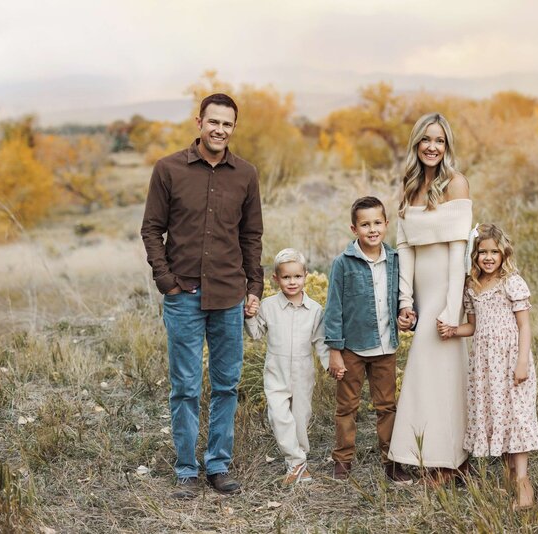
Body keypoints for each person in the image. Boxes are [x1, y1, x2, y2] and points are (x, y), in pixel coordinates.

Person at [140, 93, 263, 499]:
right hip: (184, 296)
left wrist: (254, 286)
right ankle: (186, 471)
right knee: (186, 386)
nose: (220, 130)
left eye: (228, 124)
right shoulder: (168, 169)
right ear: (199, 122)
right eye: (214, 122)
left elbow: (251, 236)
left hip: (229, 295)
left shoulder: (245, 174)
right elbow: (151, 229)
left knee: (227, 385)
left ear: (233, 128)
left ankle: (218, 465)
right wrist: (167, 281)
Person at [388, 113, 472, 482]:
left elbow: (459, 251)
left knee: (442, 372)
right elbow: (404, 248)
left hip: (446, 290)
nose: (432, 147)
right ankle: (428, 454)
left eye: (439, 141)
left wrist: (452, 309)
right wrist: (405, 303)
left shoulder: (456, 184)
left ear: (447, 146)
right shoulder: (409, 187)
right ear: (416, 144)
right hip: (422, 290)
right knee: (425, 372)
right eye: (426, 140)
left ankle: (451, 461)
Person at [438, 223, 538, 509]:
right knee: (501, 417)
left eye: (493, 252)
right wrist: (453, 330)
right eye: (482, 252)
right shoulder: (472, 286)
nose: (488, 257)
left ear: (503, 253)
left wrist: (522, 362)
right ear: (474, 256)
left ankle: (524, 486)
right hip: (486, 364)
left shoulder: (511, 281)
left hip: (511, 360)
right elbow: (473, 327)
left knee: (518, 417)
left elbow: (524, 326)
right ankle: (511, 479)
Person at [324, 196, 412, 484]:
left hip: (386, 347)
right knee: (347, 406)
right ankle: (343, 459)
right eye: (365, 224)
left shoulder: (396, 260)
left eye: (377, 223)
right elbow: (334, 308)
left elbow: (404, 298)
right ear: (354, 229)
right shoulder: (343, 263)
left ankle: (392, 460)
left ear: (386, 224)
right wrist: (335, 351)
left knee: (386, 406)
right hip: (352, 348)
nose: (372, 229)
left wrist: (407, 315)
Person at [244, 248, 332, 485]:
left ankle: (298, 459)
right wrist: (250, 315)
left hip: (303, 373)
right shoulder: (268, 306)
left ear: (305, 275)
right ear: (276, 279)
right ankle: (296, 462)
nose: (292, 282)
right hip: (276, 372)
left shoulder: (314, 310)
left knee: (301, 417)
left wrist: (329, 364)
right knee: (279, 417)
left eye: (297, 276)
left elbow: (321, 342)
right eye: (286, 277)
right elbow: (255, 334)